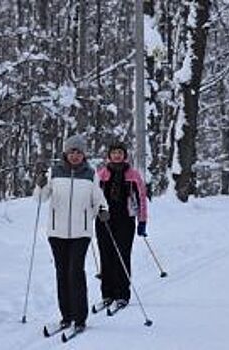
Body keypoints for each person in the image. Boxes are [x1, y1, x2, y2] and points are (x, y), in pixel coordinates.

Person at [34, 134, 109, 332]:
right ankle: (66, 316)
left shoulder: (90, 174)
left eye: (79, 152)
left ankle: (80, 317)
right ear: (65, 153)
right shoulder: (54, 172)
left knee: (75, 272)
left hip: (81, 232)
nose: (75, 155)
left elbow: (98, 198)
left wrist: (102, 210)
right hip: (56, 232)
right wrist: (40, 183)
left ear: (83, 155)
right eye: (71, 152)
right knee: (61, 273)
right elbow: (40, 198)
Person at [94, 141, 148, 309]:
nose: (117, 155)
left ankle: (122, 293)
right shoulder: (101, 175)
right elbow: (93, 198)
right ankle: (107, 293)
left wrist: (142, 221)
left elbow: (142, 199)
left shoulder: (133, 175)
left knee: (122, 255)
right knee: (106, 255)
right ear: (109, 156)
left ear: (125, 155)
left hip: (125, 219)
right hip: (104, 220)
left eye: (120, 152)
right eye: (114, 152)